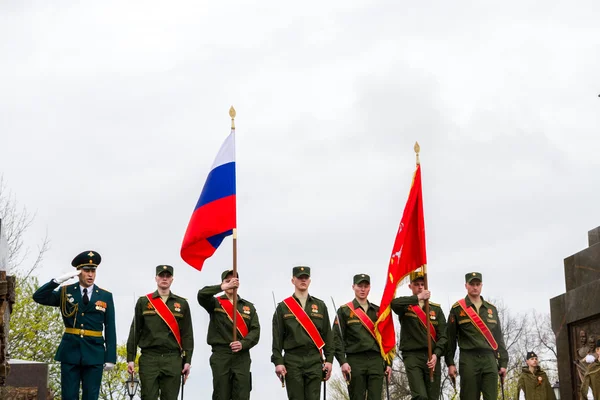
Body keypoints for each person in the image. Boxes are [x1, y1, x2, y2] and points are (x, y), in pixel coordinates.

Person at [32, 250, 116, 400]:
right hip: (70, 351)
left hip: (94, 353)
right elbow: (38, 297)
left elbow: (110, 328)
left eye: (93, 271)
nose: (90, 275)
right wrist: (57, 281)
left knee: (91, 396)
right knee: (69, 396)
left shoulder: (105, 296)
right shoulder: (66, 292)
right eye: (86, 271)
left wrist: (110, 357)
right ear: (78, 272)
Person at [126, 265, 194, 400]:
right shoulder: (144, 302)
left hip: (173, 358)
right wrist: (130, 358)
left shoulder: (182, 304)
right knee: (148, 396)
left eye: (167, 276)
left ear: (172, 279)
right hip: (149, 357)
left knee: (170, 397)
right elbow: (135, 331)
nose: (164, 278)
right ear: (156, 278)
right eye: (161, 275)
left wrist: (187, 360)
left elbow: (187, 334)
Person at [271, 266, 334, 400]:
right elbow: (277, 339)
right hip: (292, 359)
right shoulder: (283, 307)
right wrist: (278, 362)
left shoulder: (320, 306)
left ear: (309, 280)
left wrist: (329, 360)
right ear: (293, 280)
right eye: (299, 277)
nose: (303, 280)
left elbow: (328, 335)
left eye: (305, 277)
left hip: (314, 360)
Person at [197, 269, 260, 400]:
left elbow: (255, 331)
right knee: (221, 394)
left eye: (234, 280)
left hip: (241, 356)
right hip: (221, 355)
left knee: (242, 394)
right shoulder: (215, 303)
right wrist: (222, 287)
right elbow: (201, 295)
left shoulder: (248, 307)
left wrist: (243, 344)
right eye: (227, 281)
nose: (231, 283)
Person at [446, 272, 508, 400]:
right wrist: (450, 363)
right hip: (469, 358)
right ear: (466, 286)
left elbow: (499, 338)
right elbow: (450, 339)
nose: (475, 287)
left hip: (489, 358)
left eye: (477, 284)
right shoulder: (457, 309)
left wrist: (503, 363)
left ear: (481, 286)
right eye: (472, 284)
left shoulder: (492, 309)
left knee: (491, 397)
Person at [333, 273, 391, 400]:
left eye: (365, 286)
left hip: (376, 360)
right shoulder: (344, 311)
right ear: (353, 287)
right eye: (360, 286)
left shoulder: (378, 311)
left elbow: (386, 339)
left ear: (369, 288)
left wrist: (388, 363)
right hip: (355, 360)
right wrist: (343, 362)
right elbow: (337, 338)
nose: (363, 289)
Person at [390, 270, 447, 400]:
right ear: (410, 286)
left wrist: (436, 354)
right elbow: (394, 304)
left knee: (433, 397)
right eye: (416, 284)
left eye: (423, 284)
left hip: (431, 356)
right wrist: (418, 298)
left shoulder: (436, 309)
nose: (420, 287)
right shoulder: (406, 306)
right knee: (420, 396)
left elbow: (443, 335)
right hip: (412, 356)